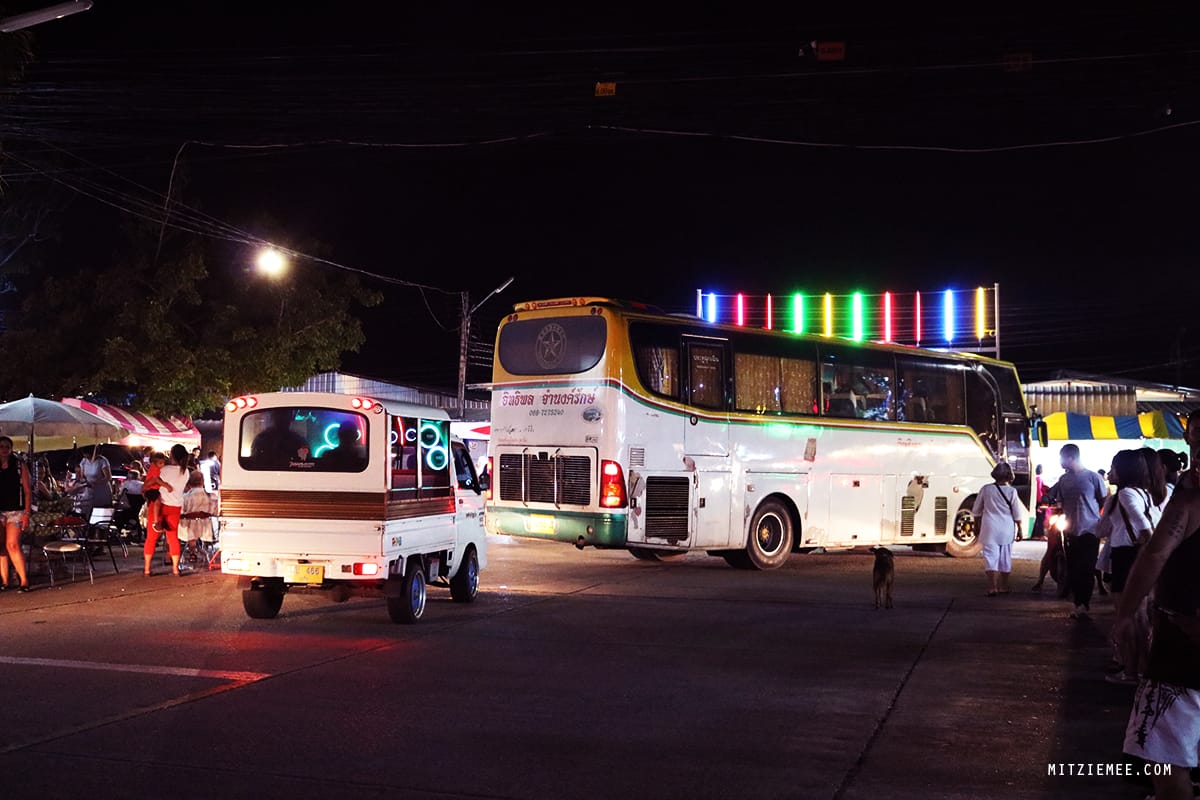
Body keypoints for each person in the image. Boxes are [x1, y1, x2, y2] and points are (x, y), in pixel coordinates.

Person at [1112, 462, 1200, 800]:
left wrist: (1126, 614)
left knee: (1165, 761)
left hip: (1184, 651)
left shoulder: (1190, 506)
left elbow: (1154, 554)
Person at [1042, 443, 1108, 619]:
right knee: (1073, 567)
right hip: (1070, 530)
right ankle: (1078, 602)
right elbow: (1056, 499)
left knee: (1087, 567)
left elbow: (1104, 500)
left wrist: (1101, 522)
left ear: (1071, 457)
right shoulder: (1064, 480)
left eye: (1062, 458)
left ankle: (1083, 603)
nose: (1060, 462)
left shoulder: (1093, 477)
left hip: (1090, 530)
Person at [973, 461, 1023, 596]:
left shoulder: (986, 489)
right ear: (1009, 475)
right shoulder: (1012, 491)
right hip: (1006, 528)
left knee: (990, 557)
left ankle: (992, 587)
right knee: (1005, 557)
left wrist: (976, 526)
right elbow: (1017, 513)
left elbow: (976, 511)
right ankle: (1004, 586)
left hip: (989, 527)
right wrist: (1020, 530)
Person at [143, 446, 189, 577]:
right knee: (173, 538)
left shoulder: (165, 469)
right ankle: (175, 569)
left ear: (172, 456)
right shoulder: (186, 472)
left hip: (159, 504)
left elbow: (150, 482)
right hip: (175, 507)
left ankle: (147, 569)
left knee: (151, 538)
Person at [0, 436, 32, 592]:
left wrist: (27, 513)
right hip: (1, 511)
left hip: (16, 510)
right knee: (1, 546)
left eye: (7, 446)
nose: (4, 450)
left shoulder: (19, 465)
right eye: (1, 446)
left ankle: (24, 580)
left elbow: (27, 491)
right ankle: (5, 581)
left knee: (12, 544)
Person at [179, 469, 215, 565]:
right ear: (202, 481)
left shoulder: (184, 497)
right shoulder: (211, 496)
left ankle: (192, 551)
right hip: (205, 526)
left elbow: (180, 513)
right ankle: (205, 549)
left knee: (189, 528)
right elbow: (214, 511)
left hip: (189, 526)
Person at [77, 444, 113, 514]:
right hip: (89, 490)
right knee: (87, 510)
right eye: (85, 455)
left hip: (101, 490)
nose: (86, 457)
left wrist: (96, 483)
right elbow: (82, 476)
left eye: (88, 455)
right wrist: (83, 480)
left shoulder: (102, 461)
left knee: (100, 511)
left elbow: (108, 477)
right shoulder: (84, 461)